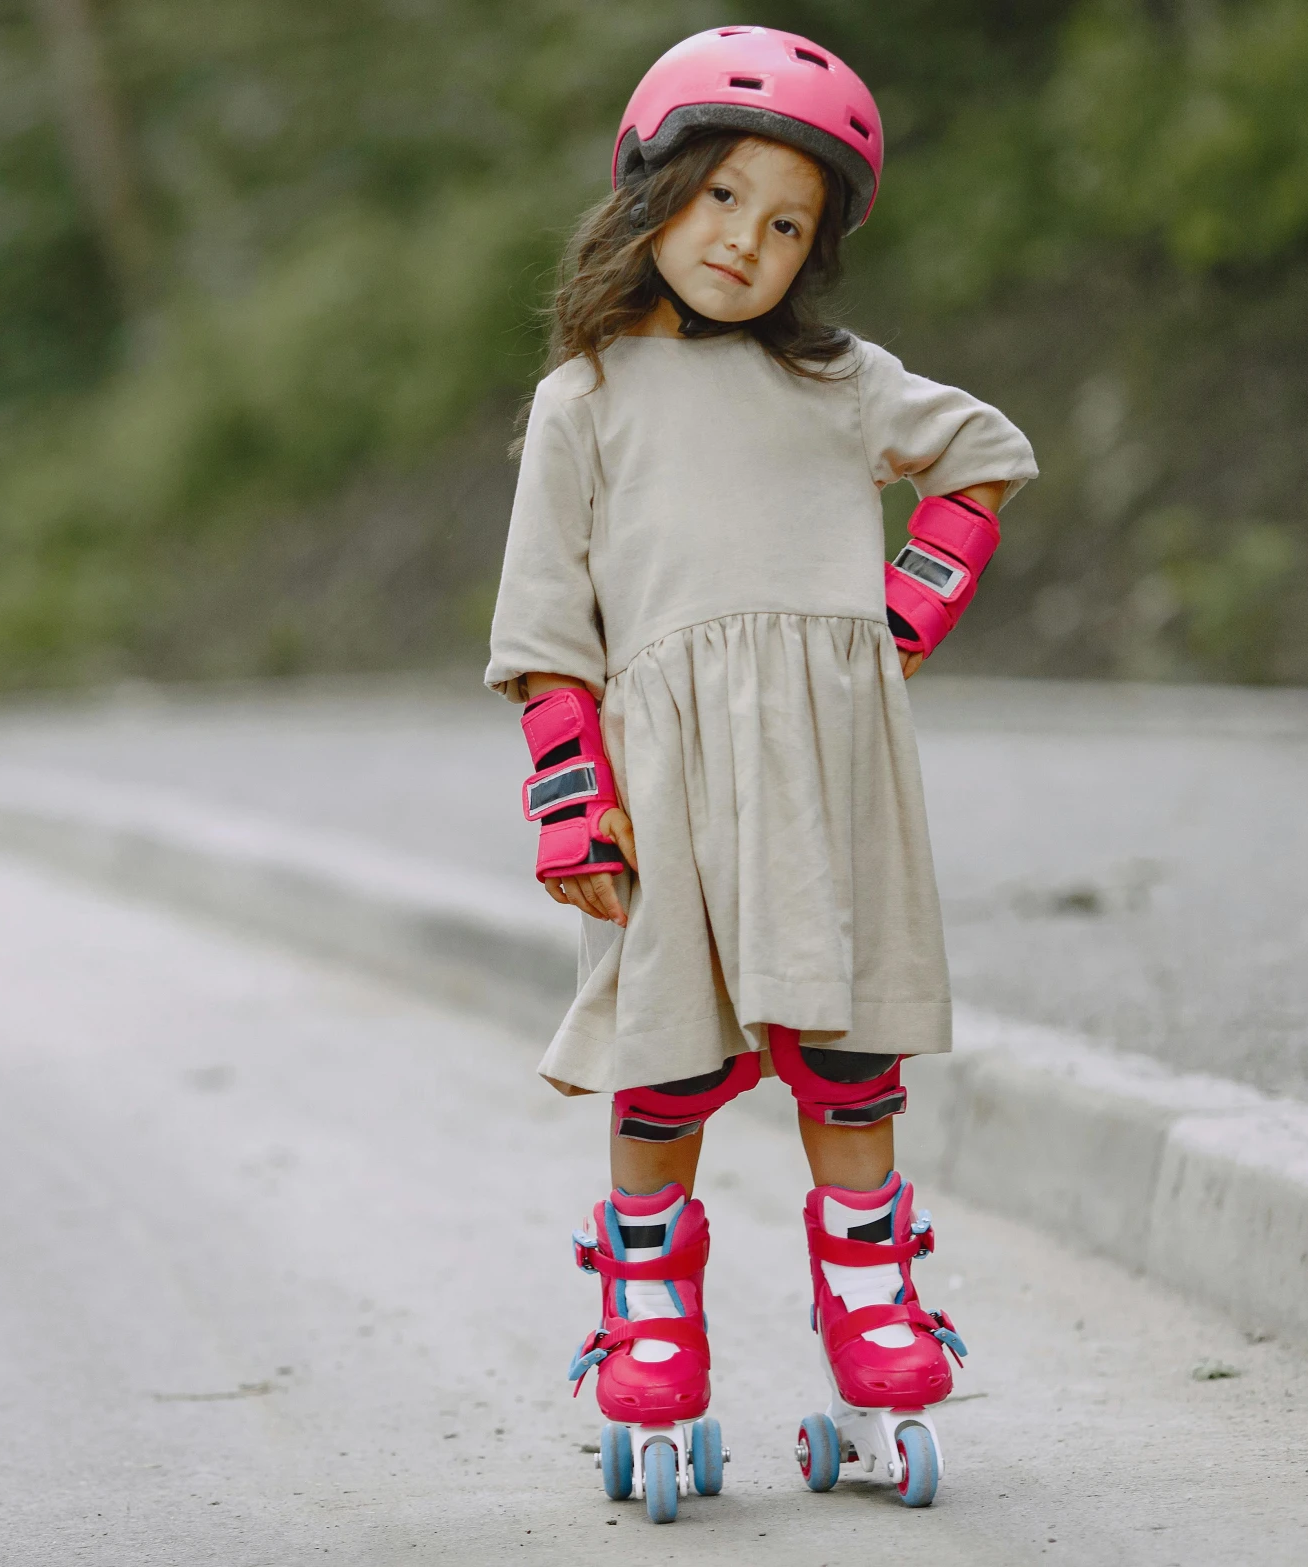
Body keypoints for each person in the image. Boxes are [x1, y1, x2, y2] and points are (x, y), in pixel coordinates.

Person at [484, 26, 1035, 1517]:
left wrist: (914, 597)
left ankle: (871, 1316)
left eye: (788, 223)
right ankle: (651, 1326)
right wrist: (564, 789)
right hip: (664, 791)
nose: (748, 241)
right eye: (724, 197)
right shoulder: (584, 398)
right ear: (649, 192)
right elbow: (544, 626)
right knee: (662, 1065)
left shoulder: (843, 387)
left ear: (817, 255)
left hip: (825, 778)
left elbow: (985, 450)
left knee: (847, 1061)